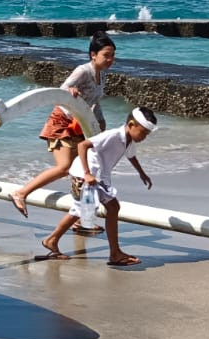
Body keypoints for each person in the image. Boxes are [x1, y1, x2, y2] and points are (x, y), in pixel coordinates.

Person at [10, 32, 117, 218]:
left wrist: (100, 124)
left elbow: (95, 101)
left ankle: (80, 220)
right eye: (106, 55)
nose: (110, 59)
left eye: (112, 55)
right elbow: (61, 90)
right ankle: (21, 193)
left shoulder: (102, 75)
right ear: (93, 55)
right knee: (65, 167)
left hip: (82, 126)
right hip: (63, 123)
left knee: (83, 172)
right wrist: (71, 90)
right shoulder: (83, 71)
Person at [40, 107, 157, 266]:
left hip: (98, 179)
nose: (144, 137)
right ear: (131, 125)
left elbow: (131, 155)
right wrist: (87, 173)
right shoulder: (113, 135)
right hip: (84, 176)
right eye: (143, 132)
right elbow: (83, 145)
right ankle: (52, 239)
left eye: (147, 134)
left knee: (112, 207)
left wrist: (142, 173)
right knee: (80, 210)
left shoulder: (128, 139)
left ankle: (114, 253)